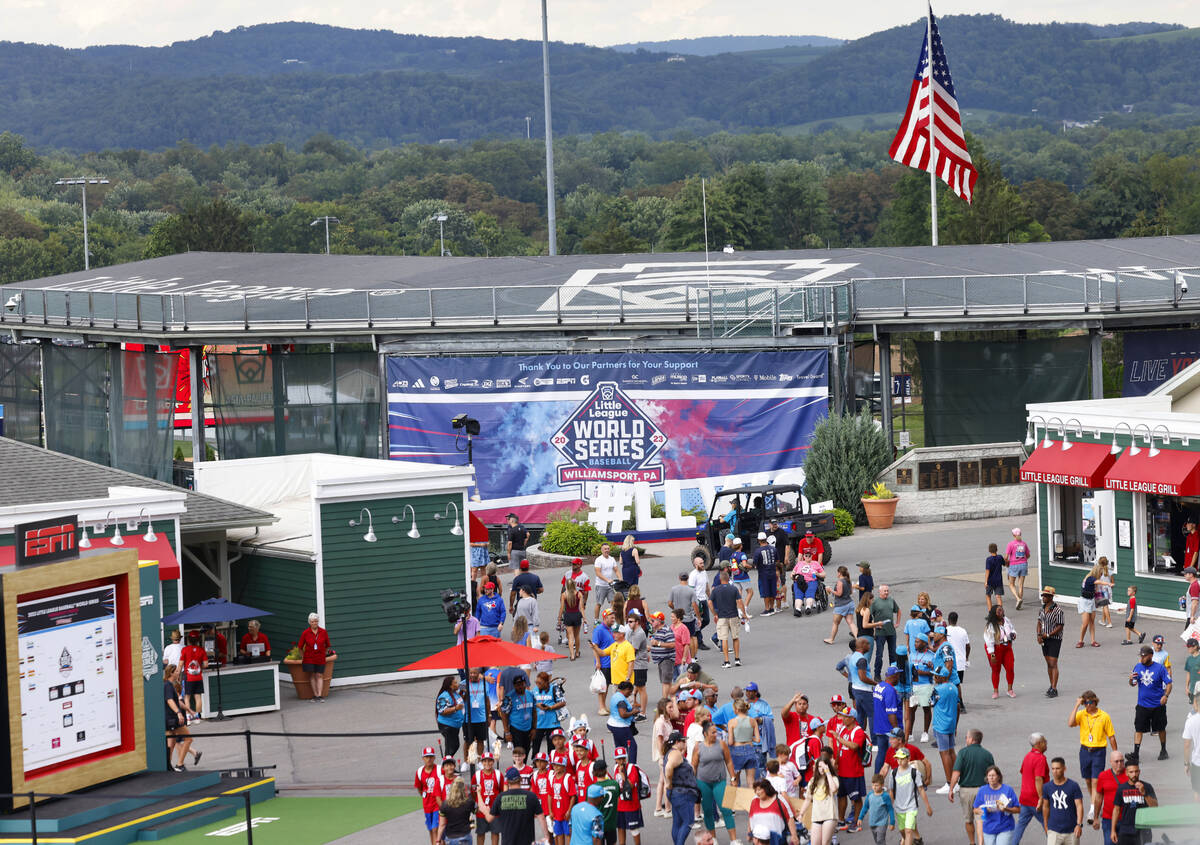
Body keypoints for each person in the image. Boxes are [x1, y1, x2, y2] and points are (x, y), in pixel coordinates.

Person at [1067, 690, 1117, 821]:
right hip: (1084, 751)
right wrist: (1077, 705)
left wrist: (1115, 753)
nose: (1088, 705)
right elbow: (1070, 723)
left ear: (1095, 701)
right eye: (1085, 703)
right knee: (1088, 780)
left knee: (1096, 780)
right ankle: (1094, 802)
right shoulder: (1081, 714)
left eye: (1090, 702)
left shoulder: (1104, 716)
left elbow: (1111, 736)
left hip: (1099, 751)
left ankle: (1093, 809)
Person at [691, 720, 739, 844]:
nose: (715, 735)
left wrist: (733, 778)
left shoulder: (722, 744)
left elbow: (728, 761)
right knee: (707, 811)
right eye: (713, 733)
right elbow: (694, 766)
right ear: (705, 734)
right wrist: (693, 784)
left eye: (716, 732)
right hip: (703, 783)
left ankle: (733, 840)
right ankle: (713, 839)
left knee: (726, 810)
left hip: (719, 782)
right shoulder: (698, 747)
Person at [948, 729, 995, 845]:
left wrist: (951, 789)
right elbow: (993, 774)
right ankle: (982, 842)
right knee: (981, 820)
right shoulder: (987, 754)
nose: (966, 739)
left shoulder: (963, 753)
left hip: (966, 791)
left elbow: (956, 772)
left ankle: (972, 842)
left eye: (967, 737)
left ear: (972, 739)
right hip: (983, 791)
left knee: (968, 820)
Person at [1129, 644, 1172, 760]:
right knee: (1138, 729)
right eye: (1141, 656)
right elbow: (1133, 683)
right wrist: (1131, 680)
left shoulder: (1160, 668)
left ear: (1151, 656)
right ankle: (1136, 754)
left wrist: (1166, 696)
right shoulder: (1138, 667)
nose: (1142, 658)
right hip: (1142, 705)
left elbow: (1169, 683)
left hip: (1158, 705)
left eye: (1144, 656)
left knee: (1161, 728)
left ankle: (1163, 750)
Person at [831, 703, 867, 833]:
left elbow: (854, 746)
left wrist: (839, 739)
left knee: (856, 798)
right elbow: (840, 749)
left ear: (852, 718)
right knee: (841, 796)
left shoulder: (858, 731)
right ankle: (841, 820)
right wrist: (836, 763)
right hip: (842, 771)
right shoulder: (843, 730)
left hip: (854, 772)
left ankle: (856, 822)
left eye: (846, 716)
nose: (843, 718)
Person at [884, 748, 931, 845]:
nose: (899, 761)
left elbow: (921, 789)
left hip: (911, 806)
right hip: (899, 806)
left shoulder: (914, 772)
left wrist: (928, 806)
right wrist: (889, 807)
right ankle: (908, 841)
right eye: (898, 759)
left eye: (902, 759)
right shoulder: (893, 773)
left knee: (908, 830)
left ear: (908, 758)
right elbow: (891, 790)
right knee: (902, 831)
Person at [664, 731, 701, 845]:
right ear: (677, 742)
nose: (685, 742)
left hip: (675, 793)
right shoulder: (676, 754)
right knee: (688, 822)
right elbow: (669, 768)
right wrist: (668, 782)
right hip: (683, 793)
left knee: (678, 822)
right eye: (683, 741)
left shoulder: (670, 753)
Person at [1012, 733, 1048, 845]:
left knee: (1020, 825)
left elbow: (1023, 772)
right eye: (1044, 741)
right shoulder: (1040, 758)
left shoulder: (1027, 756)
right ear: (1039, 744)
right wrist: (1041, 798)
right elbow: (1038, 779)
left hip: (1024, 798)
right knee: (1048, 824)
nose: (1046, 743)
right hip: (1036, 800)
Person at [1109, 759, 1156, 845]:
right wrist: (1113, 831)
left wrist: (1144, 793)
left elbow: (1155, 807)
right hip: (1126, 830)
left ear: (1139, 772)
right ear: (1126, 773)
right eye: (1131, 772)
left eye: (1136, 771)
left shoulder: (1147, 786)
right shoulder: (1121, 788)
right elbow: (1116, 809)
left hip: (1144, 830)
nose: (1134, 774)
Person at [1040, 757, 1084, 845]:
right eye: (1053, 769)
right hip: (1054, 831)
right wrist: (1045, 825)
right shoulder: (1047, 787)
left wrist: (1079, 825)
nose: (1055, 771)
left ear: (1064, 769)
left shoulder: (1073, 786)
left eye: (1057, 768)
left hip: (1072, 831)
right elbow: (1045, 807)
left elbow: (1079, 806)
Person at [164, 664, 199, 772]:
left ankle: (168, 766)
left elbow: (177, 701)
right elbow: (170, 700)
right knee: (188, 739)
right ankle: (180, 764)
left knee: (171, 744)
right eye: (177, 671)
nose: (178, 673)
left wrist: (189, 710)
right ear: (171, 673)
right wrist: (179, 713)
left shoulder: (169, 685)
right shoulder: (168, 685)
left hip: (168, 718)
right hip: (173, 719)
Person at [710, 568, 747, 669]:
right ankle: (737, 659)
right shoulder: (734, 589)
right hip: (733, 615)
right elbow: (739, 601)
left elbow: (710, 602)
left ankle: (726, 661)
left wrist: (714, 614)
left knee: (724, 639)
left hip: (722, 616)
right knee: (735, 637)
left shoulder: (716, 590)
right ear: (728, 578)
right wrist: (744, 614)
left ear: (721, 579)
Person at [972, 766, 1019, 845]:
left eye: (993, 775)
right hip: (988, 829)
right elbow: (975, 809)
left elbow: (1018, 809)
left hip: (1005, 827)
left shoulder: (1007, 790)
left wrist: (1006, 809)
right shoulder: (982, 790)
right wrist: (981, 811)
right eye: (989, 776)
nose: (991, 778)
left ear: (999, 777)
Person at [930, 666, 959, 788]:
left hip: (941, 725)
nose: (934, 677)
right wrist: (956, 725)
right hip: (951, 724)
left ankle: (949, 783)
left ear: (941, 677)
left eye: (935, 675)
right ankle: (957, 780)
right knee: (952, 752)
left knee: (944, 753)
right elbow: (957, 706)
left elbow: (931, 703)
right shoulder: (954, 688)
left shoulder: (937, 690)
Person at [1090, 751, 1127, 844]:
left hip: (1126, 819)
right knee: (1109, 842)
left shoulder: (1129, 774)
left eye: (1122, 761)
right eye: (1116, 761)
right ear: (1110, 762)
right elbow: (1099, 798)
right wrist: (1096, 818)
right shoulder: (1103, 776)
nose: (1119, 764)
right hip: (1108, 819)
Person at [749, 778, 801, 845]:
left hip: (777, 840)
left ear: (766, 789)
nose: (757, 792)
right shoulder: (754, 800)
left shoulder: (779, 800)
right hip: (758, 840)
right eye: (755, 790)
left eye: (759, 789)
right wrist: (749, 832)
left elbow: (789, 817)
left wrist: (794, 835)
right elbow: (751, 817)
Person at [802, 758, 841, 845]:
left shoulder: (833, 778)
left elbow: (834, 789)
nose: (821, 769)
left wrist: (827, 772)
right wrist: (801, 814)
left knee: (825, 843)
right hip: (817, 816)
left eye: (823, 766)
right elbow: (808, 799)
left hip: (829, 816)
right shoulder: (813, 781)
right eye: (819, 766)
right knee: (814, 843)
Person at [872, 666, 903, 774]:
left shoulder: (878, 686)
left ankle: (877, 779)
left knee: (881, 754)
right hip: (889, 729)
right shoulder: (890, 690)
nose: (899, 678)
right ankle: (897, 779)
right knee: (897, 755)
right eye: (898, 675)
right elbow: (891, 713)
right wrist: (896, 731)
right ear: (894, 676)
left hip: (879, 727)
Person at [1037, 587, 1065, 698]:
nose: (1043, 597)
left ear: (1050, 597)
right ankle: (1051, 685)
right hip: (1044, 639)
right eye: (1043, 595)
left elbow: (1060, 626)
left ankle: (1054, 688)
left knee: (1053, 663)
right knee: (1049, 663)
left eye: (1045, 596)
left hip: (1054, 639)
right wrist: (1039, 635)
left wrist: (1049, 634)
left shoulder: (1058, 610)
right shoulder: (1042, 609)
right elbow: (1039, 622)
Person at [983, 605, 1016, 700]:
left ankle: (1010, 690)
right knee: (996, 670)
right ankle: (995, 691)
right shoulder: (990, 625)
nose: (1001, 612)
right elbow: (989, 641)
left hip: (1007, 647)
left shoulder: (1006, 620)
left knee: (1010, 668)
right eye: (999, 611)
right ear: (995, 614)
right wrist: (992, 654)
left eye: (1001, 610)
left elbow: (1012, 629)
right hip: (995, 648)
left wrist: (1013, 634)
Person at [415, 746, 444, 845]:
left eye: (431, 757)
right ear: (423, 758)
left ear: (434, 758)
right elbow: (419, 787)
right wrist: (425, 796)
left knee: (436, 829)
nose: (429, 759)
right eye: (426, 757)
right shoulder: (419, 772)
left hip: (438, 804)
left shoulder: (439, 770)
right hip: (427, 805)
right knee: (431, 830)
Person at [728, 699, 761, 786]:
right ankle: (752, 799)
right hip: (750, 749)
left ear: (737, 709)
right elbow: (758, 739)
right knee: (751, 781)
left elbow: (730, 742)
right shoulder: (752, 721)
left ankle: (734, 799)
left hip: (736, 751)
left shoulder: (731, 722)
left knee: (734, 779)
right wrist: (749, 738)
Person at [870, 585, 901, 678]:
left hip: (891, 632)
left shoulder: (891, 600)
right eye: (885, 591)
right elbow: (869, 615)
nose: (886, 592)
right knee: (879, 655)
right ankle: (877, 675)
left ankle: (894, 674)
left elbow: (898, 611)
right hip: (880, 633)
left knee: (893, 654)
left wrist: (897, 623)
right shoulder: (875, 602)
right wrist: (874, 625)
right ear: (880, 592)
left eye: (887, 591)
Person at [502, 675, 538, 753]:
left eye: (522, 684)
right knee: (519, 753)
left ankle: (523, 765)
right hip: (516, 729)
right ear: (514, 686)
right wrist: (507, 732)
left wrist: (534, 728)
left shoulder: (530, 695)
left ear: (525, 683)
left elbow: (534, 712)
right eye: (518, 685)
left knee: (526, 751)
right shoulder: (509, 697)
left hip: (528, 728)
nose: (520, 687)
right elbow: (504, 715)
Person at [474, 752, 505, 845]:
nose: (487, 763)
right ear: (481, 762)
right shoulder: (477, 775)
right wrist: (478, 805)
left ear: (493, 761)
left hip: (495, 809)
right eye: (485, 761)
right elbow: (473, 792)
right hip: (482, 810)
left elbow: (502, 791)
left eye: (490, 761)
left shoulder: (498, 774)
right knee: (480, 833)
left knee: (495, 832)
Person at [858, 773, 896, 845]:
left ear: (882, 785)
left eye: (876, 785)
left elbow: (890, 809)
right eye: (873, 785)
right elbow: (865, 807)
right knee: (877, 841)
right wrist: (860, 817)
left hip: (882, 823)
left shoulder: (885, 796)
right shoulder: (870, 795)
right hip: (872, 822)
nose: (874, 787)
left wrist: (892, 822)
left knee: (880, 840)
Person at [608, 680, 641, 763]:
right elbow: (623, 714)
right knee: (632, 746)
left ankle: (618, 767)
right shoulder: (621, 700)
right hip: (620, 726)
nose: (630, 694)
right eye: (629, 692)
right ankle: (632, 767)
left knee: (620, 747)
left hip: (612, 724)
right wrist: (633, 712)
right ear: (626, 689)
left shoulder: (616, 695)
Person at [669, 572, 700, 659]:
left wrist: (675, 609)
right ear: (688, 578)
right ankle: (693, 658)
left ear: (679, 578)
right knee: (692, 637)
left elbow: (670, 603)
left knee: (678, 637)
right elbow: (694, 605)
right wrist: (698, 618)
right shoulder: (691, 590)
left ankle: (682, 655)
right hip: (689, 618)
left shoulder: (673, 589)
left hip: (678, 618)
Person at [548, 753, 578, 845]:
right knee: (558, 834)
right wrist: (550, 811)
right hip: (556, 813)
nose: (556, 767)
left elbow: (573, 796)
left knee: (568, 833)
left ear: (564, 766)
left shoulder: (568, 778)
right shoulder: (552, 777)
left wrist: (569, 810)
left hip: (565, 813)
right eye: (554, 765)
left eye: (558, 765)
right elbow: (550, 795)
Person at [438, 777, 477, 845]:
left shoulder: (445, 804)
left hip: (450, 838)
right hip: (464, 836)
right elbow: (477, 811)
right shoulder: (469, 802)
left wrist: (438, 840)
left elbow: (442, 825)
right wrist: (478, 794)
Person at [824, 565, 858, 644]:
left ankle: (831, 639)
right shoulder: (848, 580)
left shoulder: (840, 582)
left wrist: (830, 590)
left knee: (835, 623)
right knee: (851, 622)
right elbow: (851, 592)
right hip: (850, 603)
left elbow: (839, 594)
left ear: (839, 573)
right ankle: (857, 638)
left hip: (841, 605)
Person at [945, 612, 971, 711]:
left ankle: (954, 703)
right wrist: (966, 657)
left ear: (948, 619)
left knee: (948, 683)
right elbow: (968, 646)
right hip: (960, 662)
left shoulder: (945, 630)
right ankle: (960, 704)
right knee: (957, 683)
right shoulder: (963, 631)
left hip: (948, 662)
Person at [590, 759, 620, 845]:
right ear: (606, 771)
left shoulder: (592, 788)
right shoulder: (614, 784)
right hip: (611, 822)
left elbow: (590, 807)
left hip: (598, 824)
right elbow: (617, 798)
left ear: (594, 772)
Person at [180, 631, 207, 718]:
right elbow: (206, 664)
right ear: (198, 640)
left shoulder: (184, 650)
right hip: (198, 677)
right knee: (197, 697)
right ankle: (197, 716)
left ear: (188, 639)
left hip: (188, 677)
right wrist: (200, 668)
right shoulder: (201, 650)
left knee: (187, 697)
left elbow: (180, 664)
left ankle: (188, 716)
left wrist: (177, 674)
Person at [437, 676, 466, 759]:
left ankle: (448, 763)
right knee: (452, 746)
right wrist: (455, 708)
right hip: (447, 725)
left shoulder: (455, 693)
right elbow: (442, 711)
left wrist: (464, 692)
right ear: (450, 685)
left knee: (453, 745)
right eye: (455, 683)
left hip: (455, 724)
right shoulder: (444, 696)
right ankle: (446, 764)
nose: (458, 684)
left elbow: (459, 702)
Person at [689, 556, 712, 649]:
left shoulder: (704, 572)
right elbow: (691, 590)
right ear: (695, 565)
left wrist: (710, 598)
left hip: (704, 599)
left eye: (703, 562)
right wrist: (695, 602)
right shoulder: (693, 575)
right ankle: (699, 641)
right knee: (698, 621)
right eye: (701, 563)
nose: (703, 565)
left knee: (706, 620)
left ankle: (693, 633)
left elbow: (707, 587)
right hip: (697, 601)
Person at [1076, 563, 1101, 649]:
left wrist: (1098, 601)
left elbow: (1096, 592)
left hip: (1092, 601)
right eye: (1100, 573)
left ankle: (1093, 640)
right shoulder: (1089, 579)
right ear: (1097, 572)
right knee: (1085, 623)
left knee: (1092, 622)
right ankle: (1080, 640)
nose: (1101, 575)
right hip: (1084, 601)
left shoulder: (1095, 581)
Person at [1005, 527, 1031, 610]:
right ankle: (1019, 602)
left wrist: (1006, 562)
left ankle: (1018, 598)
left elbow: (1006, 557)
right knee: (1020, 585)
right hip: (1023, 564)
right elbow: (1028, 555)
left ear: (1013, 535)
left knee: (1011, 584)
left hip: (1014, 565)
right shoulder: (1024, 544)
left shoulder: (1011, 544)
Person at [753, 533, 778, 616]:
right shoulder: (773, 549)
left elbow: (755, 564)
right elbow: (777, 561)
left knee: (765, 591)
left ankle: (767, 609)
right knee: (772, 590)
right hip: (773, 572)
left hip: (763, 573)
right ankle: (772, 608)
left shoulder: (757, 551)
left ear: (759, 540)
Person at [560, 578, 585, 660]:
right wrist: (584, 618)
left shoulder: (564, 595)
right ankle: (577, 652)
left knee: (570, 636)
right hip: (577, 615)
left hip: (568, 615)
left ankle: (572, 655)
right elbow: (581, 608)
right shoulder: (579, 594)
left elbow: (562, 608)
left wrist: (559, 618)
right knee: (577, 635)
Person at [1182, 687, 1200, 801]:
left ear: (1196, 704)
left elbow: (1187, 745)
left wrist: (1186, 764)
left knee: (1197, 792)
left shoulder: (1191, 721)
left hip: (1197, 763)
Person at [984, 543, 1005, 611]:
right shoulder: (1000, 557)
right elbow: (1005, 563)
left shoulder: (988, 559)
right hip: (998, 580)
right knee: (998, 597)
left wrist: (986, 581)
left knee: (988, 596)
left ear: (989, 550)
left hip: (990, 581)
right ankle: (1000, 613)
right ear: (997, 549)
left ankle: (991, 612)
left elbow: (987, 571)